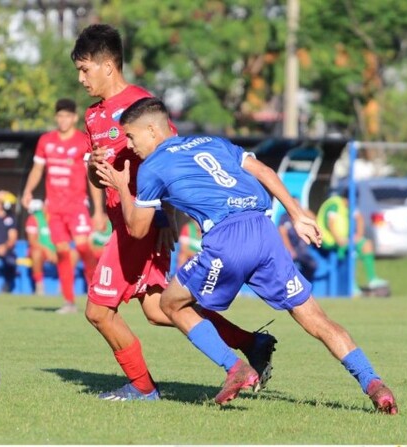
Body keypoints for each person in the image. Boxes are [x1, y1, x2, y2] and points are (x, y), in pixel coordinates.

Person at [95, 96, 397, 414]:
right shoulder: (212, 142)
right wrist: (296, 213)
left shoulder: (151, 167)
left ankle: (234, 367)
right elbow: (263, 171)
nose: (129, 144)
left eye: (131, 136)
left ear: (153, 130)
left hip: (227, 240)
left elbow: (139, 229)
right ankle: (374, 383)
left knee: (170, 304)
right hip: (264, 232)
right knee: (316, 320)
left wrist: (122, 186)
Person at [71, 23, 277, 401]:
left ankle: (143, 387)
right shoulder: (93, 116)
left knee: (98, 312)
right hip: (125, 222)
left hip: (142, 227)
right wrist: (93, 166)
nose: (81, 78)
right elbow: (98, 174)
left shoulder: (141, 106)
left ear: (108, 66)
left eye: (85, 69)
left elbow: (175, 161)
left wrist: (169, 218)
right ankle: (252, 343)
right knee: (157, 309)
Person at [21, 98, 105, 314]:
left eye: (67, 116)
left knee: (84, 248)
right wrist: (28, 190)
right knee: (61, 252)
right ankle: (69, 302)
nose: (63, 120)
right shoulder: (46, 141)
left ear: (75, 118)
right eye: (60, 116)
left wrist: (98, 210)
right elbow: (38, 170)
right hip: (55, 209)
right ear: (56, 118)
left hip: (77, 207)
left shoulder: (82, 141)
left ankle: (97, 294)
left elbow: (92, 177)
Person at [317, 191, 390, 295]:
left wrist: (358, 236)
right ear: (347, 198)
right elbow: (331, 224)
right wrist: (339, 240)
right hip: (330, 241)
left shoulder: (349, 205)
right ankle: (351, 285)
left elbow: (359, 218)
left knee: (366, 244)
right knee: (350, 254)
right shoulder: (334, 204)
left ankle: (372, 279)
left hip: (345, 240)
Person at [24, 204, 78, 296]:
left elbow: (67, 239)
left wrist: (58, 250)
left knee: (73, 253)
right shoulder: (34, 218)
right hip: (41, 250)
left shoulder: (61, 219)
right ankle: (39, 286)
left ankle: (64, 286)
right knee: (36, 253)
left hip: (57, 250)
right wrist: (47, 251)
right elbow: (32, 240)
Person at [278, 198, 317, 282]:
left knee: (312, 265)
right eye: (294, 204)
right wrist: (290, 250)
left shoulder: (302, 216)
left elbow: (314, 220)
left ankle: (306, 284)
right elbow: (283, 234)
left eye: (297, 205)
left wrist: (303, 211)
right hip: (288, 249)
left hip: (302, 250)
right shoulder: (284, 217)